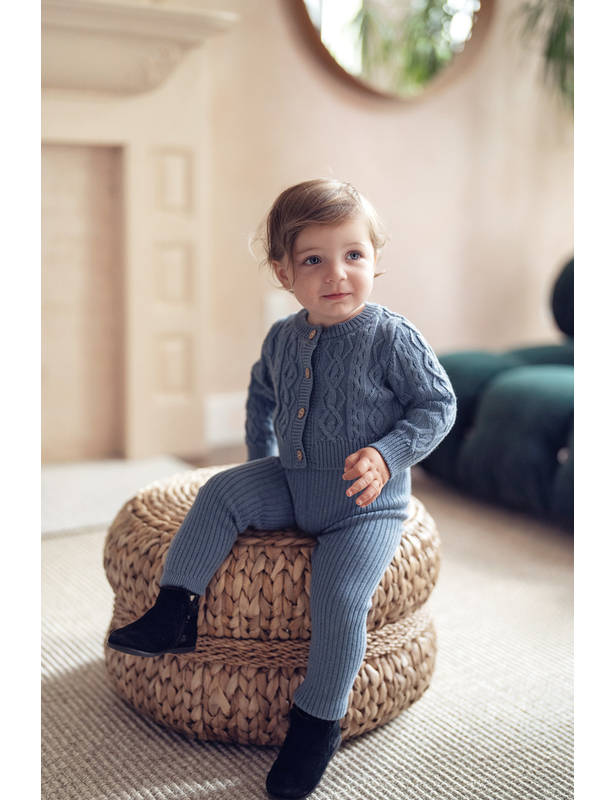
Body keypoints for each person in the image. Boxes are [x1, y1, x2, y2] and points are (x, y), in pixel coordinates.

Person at [108, 178, 457, 800]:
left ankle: (317, 722)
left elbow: (438, 405)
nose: (337, 273)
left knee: (339, 597)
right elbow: (262, 395)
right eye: (314, 260)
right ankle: (174, 611)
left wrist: (387, 455)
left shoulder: (391, 336)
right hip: (294, 481)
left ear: (375, 258)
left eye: (354, 254)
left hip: (364, 507)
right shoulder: (283, 338)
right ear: (284, 272)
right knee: (221, 492)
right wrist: (258, 462)